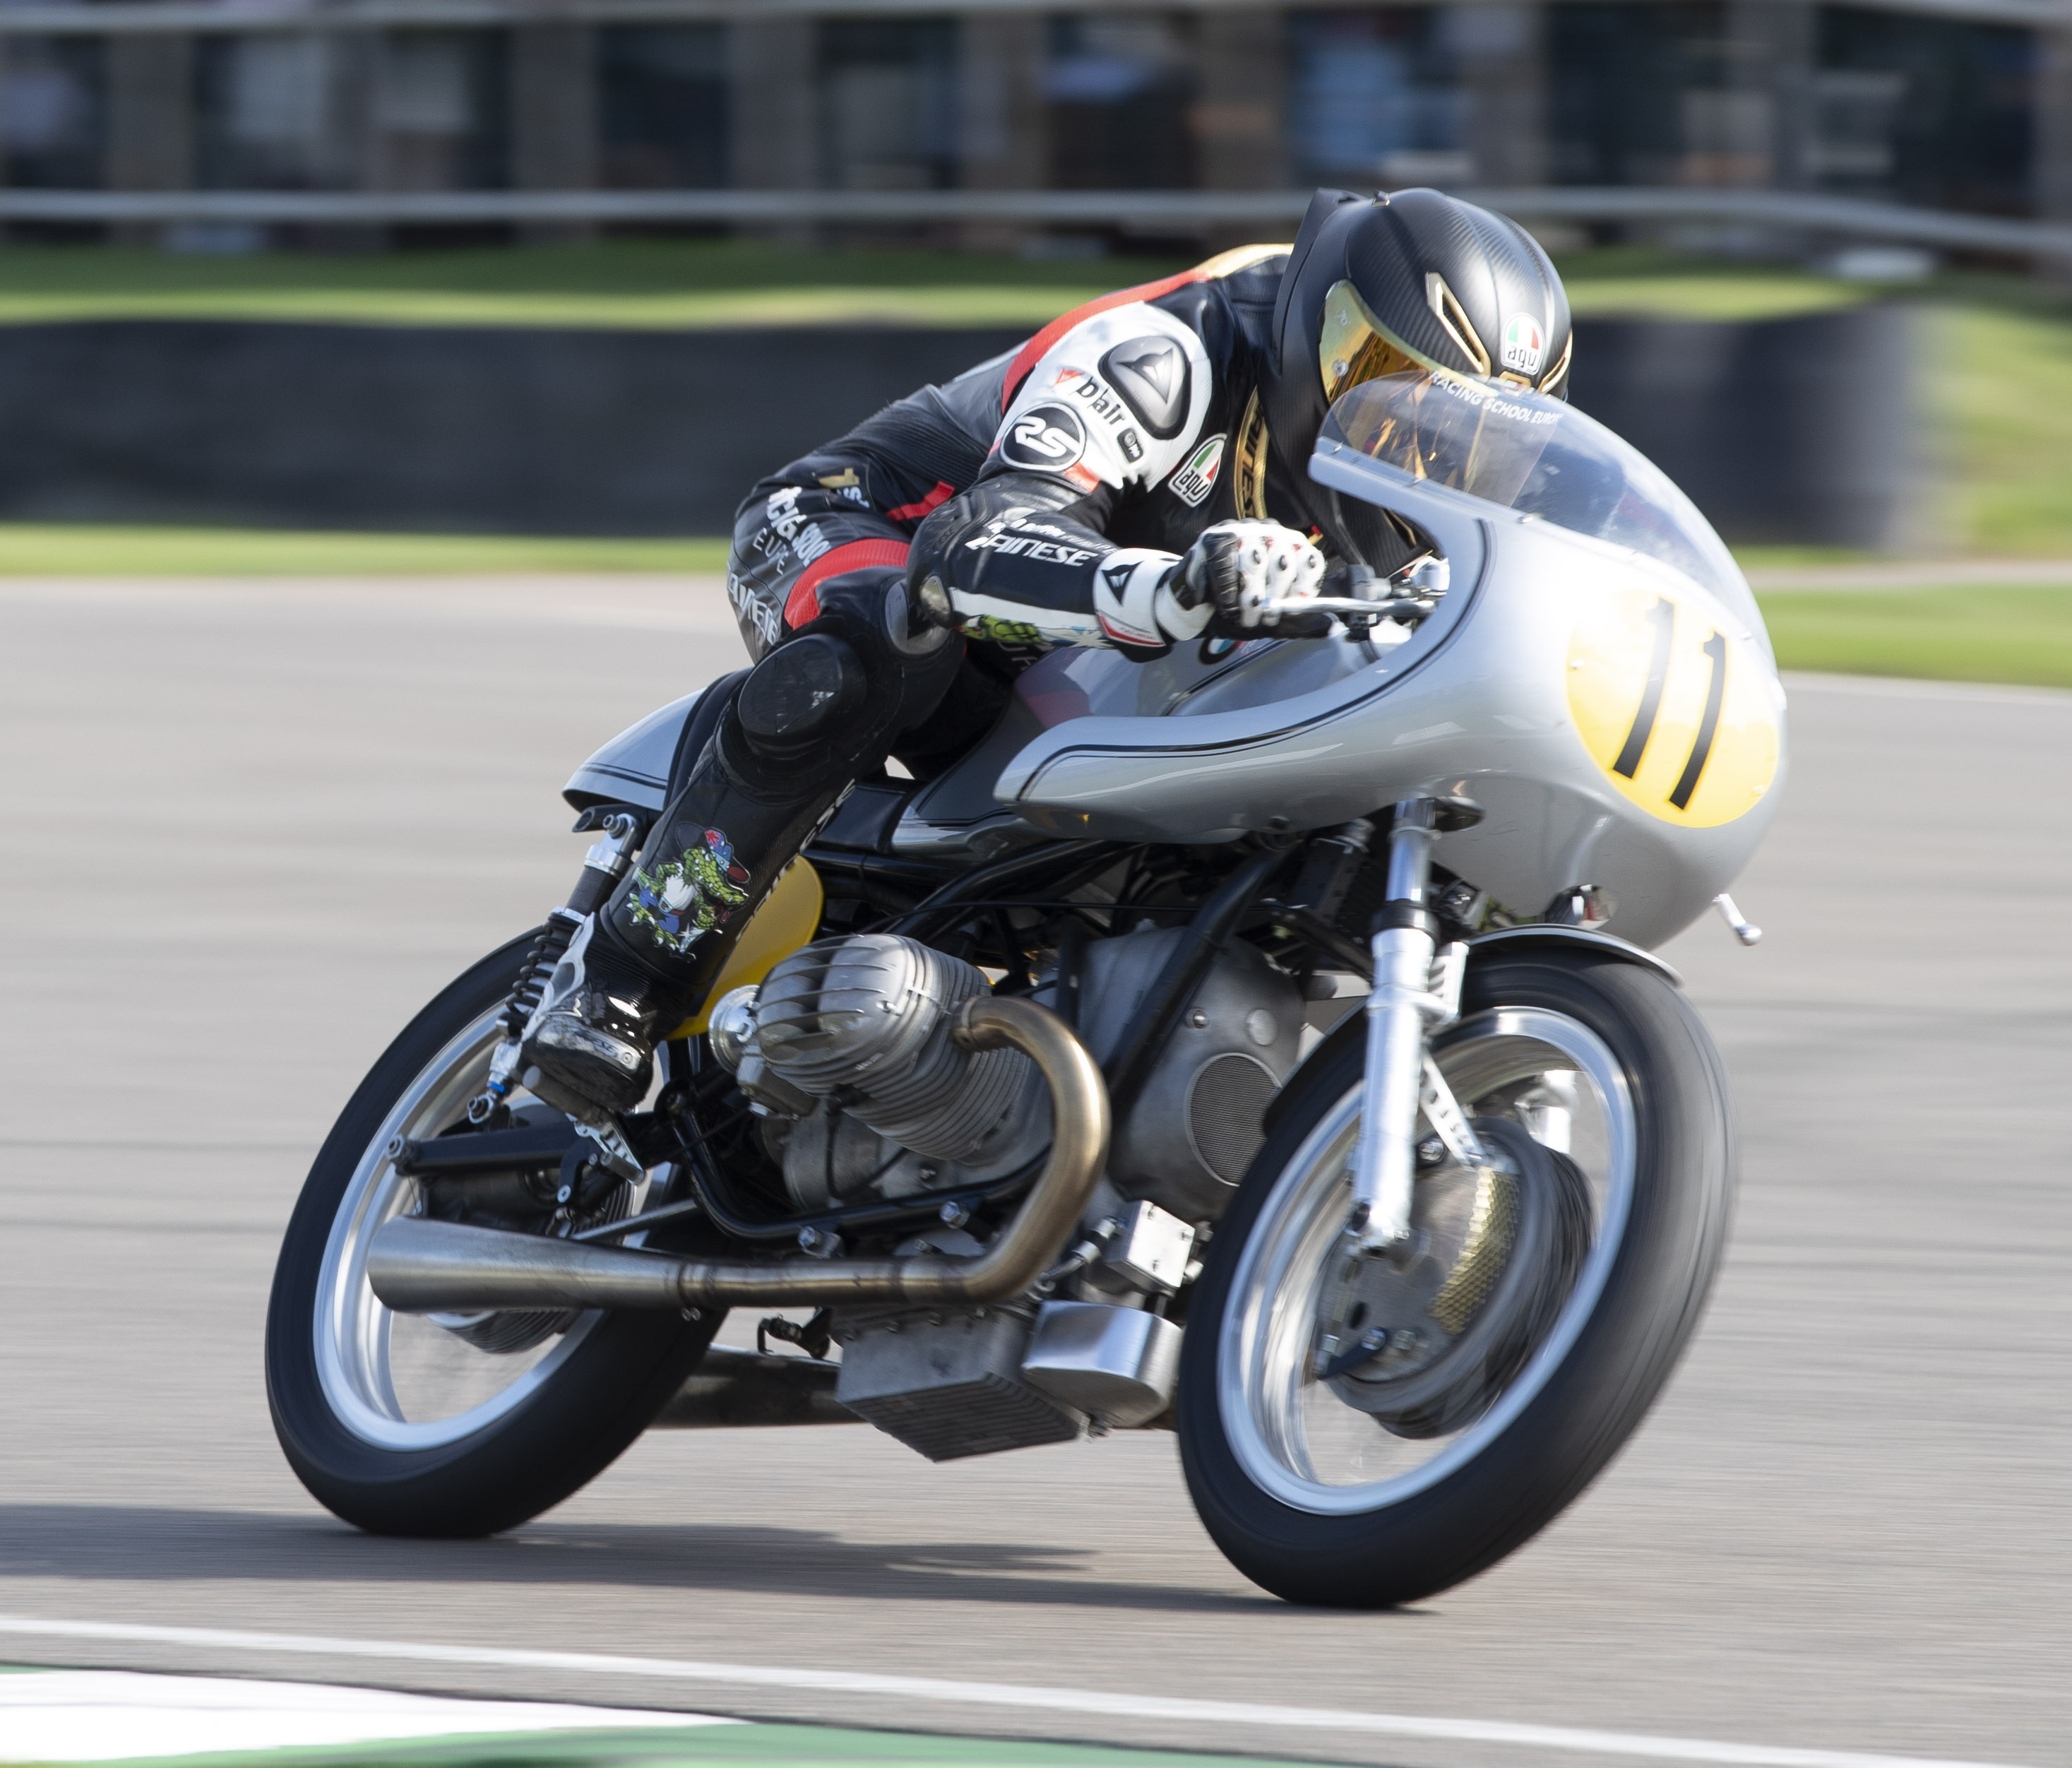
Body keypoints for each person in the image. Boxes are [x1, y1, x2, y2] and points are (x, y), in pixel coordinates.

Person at [509, 186, 1578, 1125]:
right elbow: (970, 542)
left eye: (1475, 435)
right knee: (879, 641)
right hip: (874, 525)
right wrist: (1167, 586)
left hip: (1101, 658)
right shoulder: (1167, 350)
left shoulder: (1439, 503)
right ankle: (622, 979)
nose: (1416, 444)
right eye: (1386, 382)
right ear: (1322, 324)